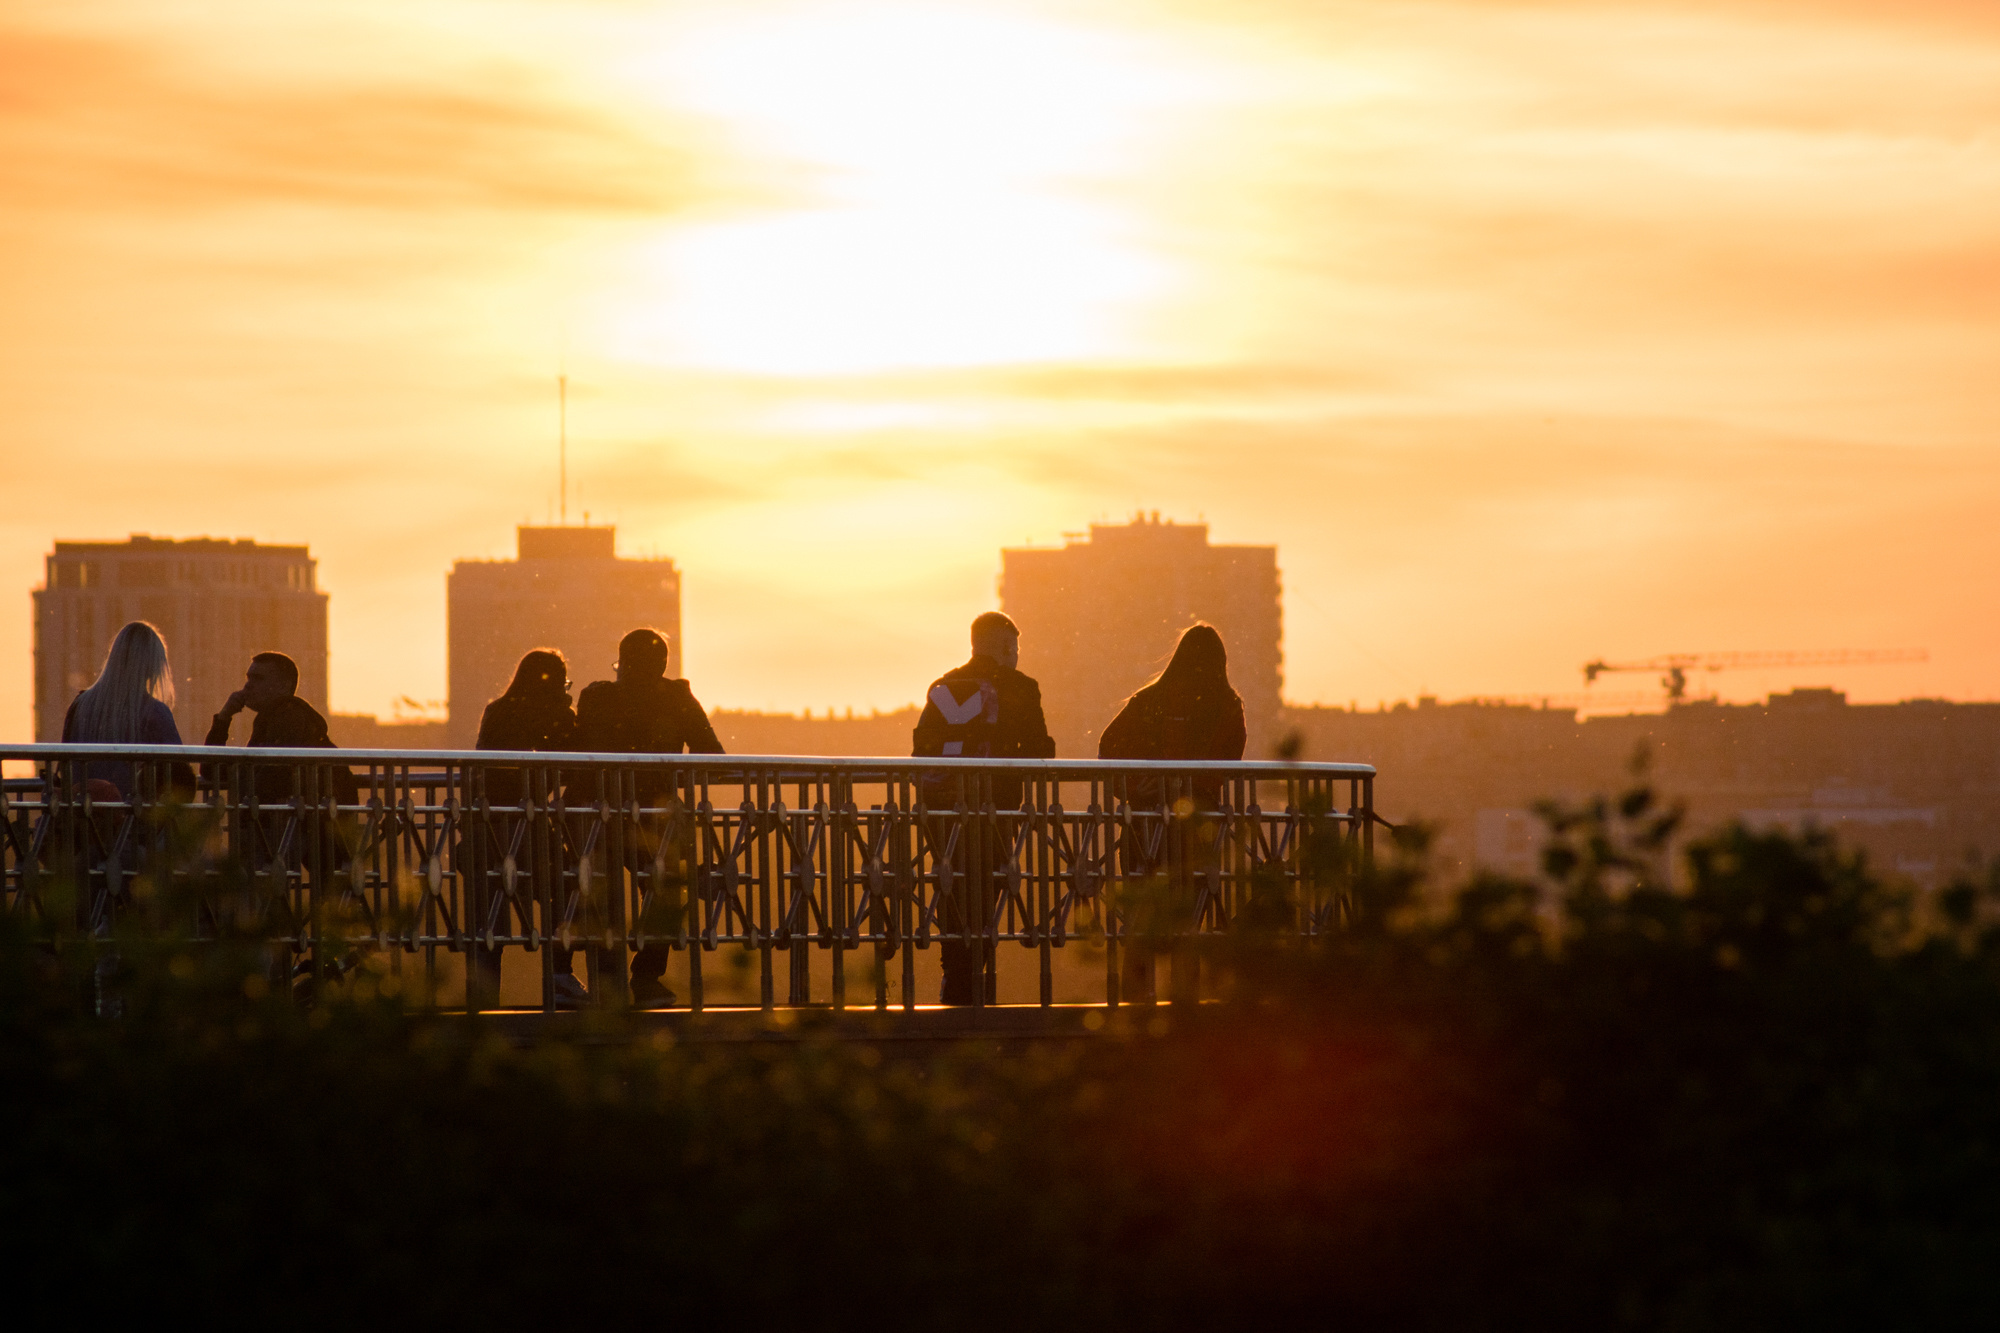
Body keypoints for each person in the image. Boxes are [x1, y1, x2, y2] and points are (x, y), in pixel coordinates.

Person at [569, 628, 723, 1008]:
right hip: (656, 818)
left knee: (597, 892)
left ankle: (606, 984)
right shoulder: (676, 698)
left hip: (597, 814)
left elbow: (579, 750)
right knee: (668, 889)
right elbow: (713, 756)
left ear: (623, 662)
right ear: (663, 665)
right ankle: (646, 977)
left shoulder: (596, 696)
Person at [911, 611, 1056, 1005]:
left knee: (953, 888)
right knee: (986, 892)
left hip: (942, 810)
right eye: (1015, 649)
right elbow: (1041, 749)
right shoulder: (1020, 688)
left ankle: (953, 979)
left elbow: (921, 749)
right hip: (994, 808)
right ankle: (977, 981)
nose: (1017, 657)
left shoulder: (943, 686)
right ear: (1006, 648)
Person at [1096, 623, 1246, 1004]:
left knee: (1141, 923)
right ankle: (1185, 1007)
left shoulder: (1149, 701)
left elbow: (1108, 749)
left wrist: (1138, 790)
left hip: (1144, 826)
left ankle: (1136, 1007)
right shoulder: (1226, 706)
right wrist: (1193, 790)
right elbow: (1227, 762)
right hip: (1195, 830)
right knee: (1188, 921)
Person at [470, 649, 580, 1008]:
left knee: (490, 918)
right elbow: (574, 760)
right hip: (526, 829)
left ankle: (483, 1002)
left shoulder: (497, 710)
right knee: (568, 890)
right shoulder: (553, 717)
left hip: (485, 828)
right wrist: (567, 713)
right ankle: (560, 976)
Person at [60, 621, 195, 799]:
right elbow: (180, 775)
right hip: (135, 818)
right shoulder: (154, 713)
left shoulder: (80, 706)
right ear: (152, 668)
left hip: (84, 817)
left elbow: (67, 767)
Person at [203, 651, 357, 804]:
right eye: (248, 678)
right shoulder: (271, 719)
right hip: (289, 821)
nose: (248, 686)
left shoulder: (290, 716)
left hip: (298, 823)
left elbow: (270, 777)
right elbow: (212, 771)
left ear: (284, 685)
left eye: (258, 679)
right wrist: (223, 718)